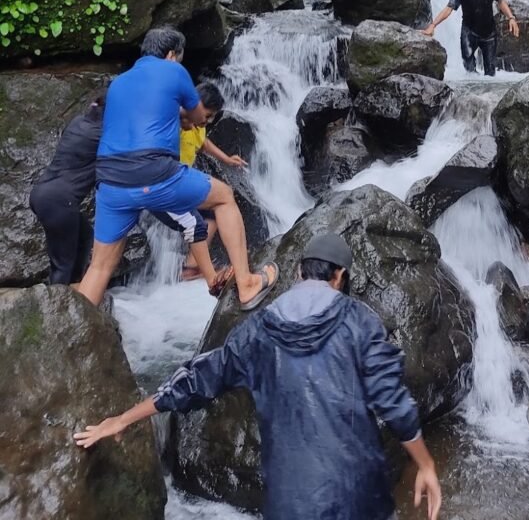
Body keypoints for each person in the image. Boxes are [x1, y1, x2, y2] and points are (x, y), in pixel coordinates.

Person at [75, 232, 442, 520]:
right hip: (358, 496)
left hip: (290, 503)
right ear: (340, 277)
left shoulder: (260, 330)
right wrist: (424, 464)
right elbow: (394, 402)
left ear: (298, 273)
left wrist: (124, 419)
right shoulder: (359, 321)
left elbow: (195, 380)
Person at [76, 26, 278, 311]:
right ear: (172, 55)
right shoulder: (173, 72)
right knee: (224, 196)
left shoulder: (119, 83)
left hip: (110, 182)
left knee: (98, 268)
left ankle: (75, 334)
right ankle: (247, 284)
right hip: (154, 172)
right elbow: (197, 116)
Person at [29, 91, 106, 285]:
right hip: (60, 200)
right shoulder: (102, 133)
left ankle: (74, 288)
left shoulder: (78, 122)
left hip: (42, 193)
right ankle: (59, 306)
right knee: (62, 264)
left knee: (85, 236)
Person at [176, 80, 247, 284]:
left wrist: (226, 158)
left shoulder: (198, 127)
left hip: (183, 180)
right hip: (171, 181)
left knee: (211, 215)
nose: (205, 121)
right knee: (217, 203)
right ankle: (203, 272)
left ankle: (191, 266)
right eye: (205, 115)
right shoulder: (181, 122)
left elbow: (203, 144)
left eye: (210, 118)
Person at [421, 0, 519, 76]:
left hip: (489, 34)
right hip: (469, 32)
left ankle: (487, 94)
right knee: (469, 70)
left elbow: (500, 1)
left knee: (490, 73)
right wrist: (433, 25)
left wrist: (511, 18)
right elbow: (449, 8)